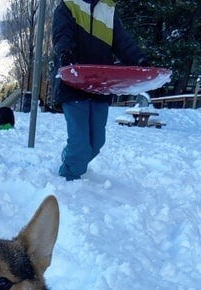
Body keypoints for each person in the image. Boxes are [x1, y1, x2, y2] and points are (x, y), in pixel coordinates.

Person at [52, 0, 148, 180]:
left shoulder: (108, 8)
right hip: (74, 84)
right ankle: (67, 182)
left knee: (96, 143)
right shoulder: (68, 5)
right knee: (80, 145)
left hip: (101, 87)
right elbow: (61, 35)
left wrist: (139, 60)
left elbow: (122, 42)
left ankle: (71, 158)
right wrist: (66, 53)